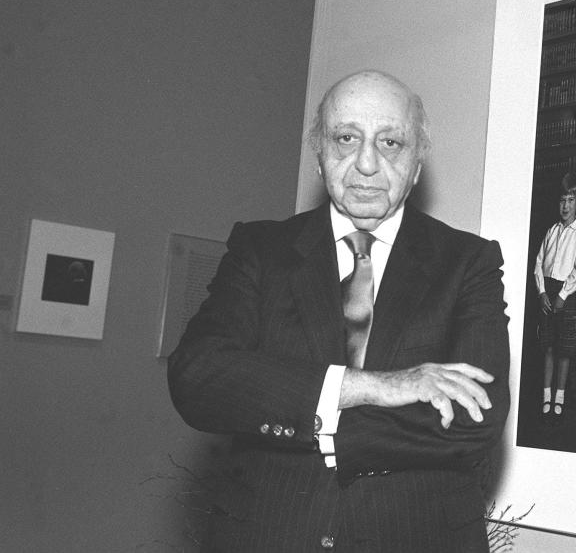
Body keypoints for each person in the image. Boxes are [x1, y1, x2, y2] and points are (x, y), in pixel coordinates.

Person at [167, 70, 510, 552]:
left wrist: (312, 413)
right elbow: (199, 376)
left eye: (390, 142)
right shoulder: (261, 249)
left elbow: (478, 416)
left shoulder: (468, 262)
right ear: (320, 154)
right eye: (346, 138)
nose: (366, 163)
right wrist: (377, 386)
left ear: (416, 165)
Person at [533, 173, 576, 423]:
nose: (565, 206)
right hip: (547, 290)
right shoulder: (552, 230)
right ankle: (545, 394)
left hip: (568, 294)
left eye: (570, 200)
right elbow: (538, 263)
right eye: (562, 200)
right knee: (547, 346)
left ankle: (559, 397)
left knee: (564, 349)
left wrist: (563, 295)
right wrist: (543, 292)